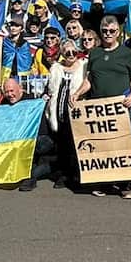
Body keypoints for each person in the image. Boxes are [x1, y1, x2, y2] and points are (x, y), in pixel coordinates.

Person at [86, 16, 131, 199]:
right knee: (102, 145)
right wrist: (77, 93)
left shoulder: (126, 53)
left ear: (118, 32)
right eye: (104, 31)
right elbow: (89, 79)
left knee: (123, 144)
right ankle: (103, 182)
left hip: (120, 106)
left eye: (112, 31)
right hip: (99, 108)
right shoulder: (94, 53)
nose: (108, 34)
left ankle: (124, 186)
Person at [42, 41, 91, 190]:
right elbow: (49, 89)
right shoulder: (56, 68)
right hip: (58, 111)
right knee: (62, 146)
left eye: (73, 52)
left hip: (76, 111)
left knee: (76, 145)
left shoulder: (84, 66)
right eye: (67, 52)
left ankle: (77, 175)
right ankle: (63, 175)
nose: (71, 55)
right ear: (62, 53)